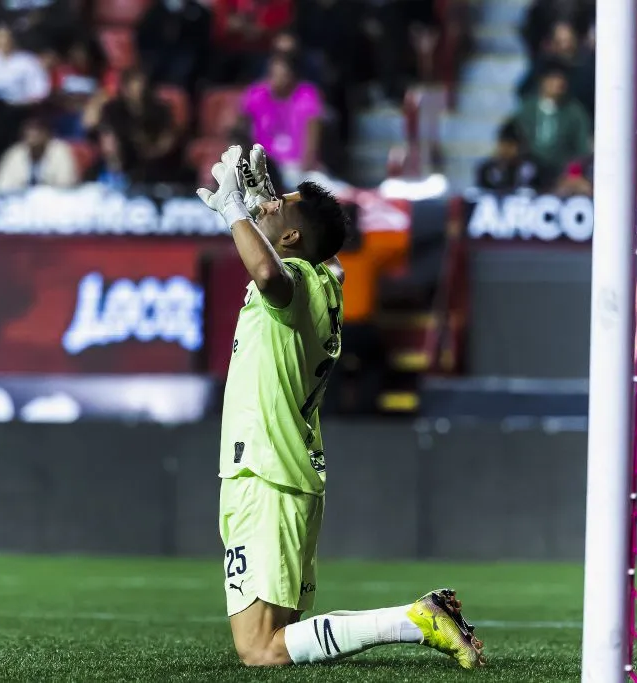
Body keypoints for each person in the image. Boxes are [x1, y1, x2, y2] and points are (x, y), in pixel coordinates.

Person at [197, 144, 486, 669]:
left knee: (260, 649)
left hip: (265, 474)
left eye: (275, 206)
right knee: (281, 636)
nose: (264, 205)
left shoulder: (297, 282)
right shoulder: (328, 279)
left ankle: (416, 619)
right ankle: (420, 616)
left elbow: (269, 274)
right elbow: (300, 249)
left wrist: (237, 210)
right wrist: (264, 201)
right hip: (287, 473)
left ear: (290, 239)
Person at [242, 54, 323, 184]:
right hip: (265, 167)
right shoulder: (257, 95)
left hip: (296, 167)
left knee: (319, 184)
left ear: (292, 76)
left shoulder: (306, 95)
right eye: (273, 75)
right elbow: (244, 130)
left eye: (282, 75)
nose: (277, 80)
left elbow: (311, 137)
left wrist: (305, 166)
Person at [0, 116, 77, 191]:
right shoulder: (15, 153)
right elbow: (1, 185)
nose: (32, 135)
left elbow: (66, 184)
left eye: (37, 131)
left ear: (47, 134)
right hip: (20, 201)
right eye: (29, 131)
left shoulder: (60, 150)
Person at [475, 120, 543, 192]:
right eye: (503, 144)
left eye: (510, 145)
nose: (506, 149)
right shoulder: (487, 168)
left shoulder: (531, 167)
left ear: (519, 146)